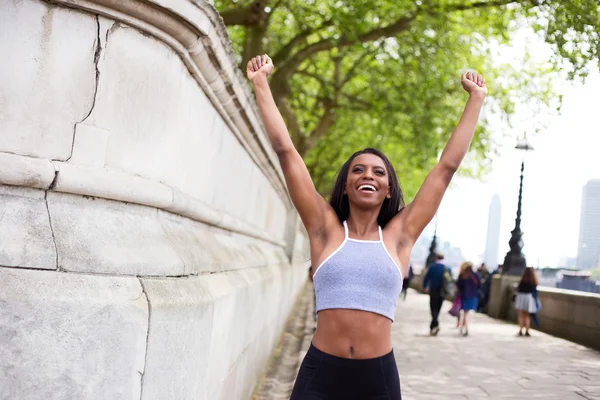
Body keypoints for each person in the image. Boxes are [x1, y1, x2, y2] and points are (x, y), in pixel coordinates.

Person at [246, 54, 487, 400]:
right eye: (358, 170)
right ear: (345, 184)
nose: (368, 175)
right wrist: (261, 83)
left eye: (378, 172)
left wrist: (475, 101)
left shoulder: (400, 236)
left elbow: (445, 168)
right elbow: (286, 152)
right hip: (320, 374)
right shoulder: (324, 229)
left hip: (378, 380)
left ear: (388, 189)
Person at [423, 254, 448, 336]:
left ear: (436, 258)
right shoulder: (447, 268)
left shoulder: (433, 266)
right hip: (443, 292)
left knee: (433, 308)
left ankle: (435, 324)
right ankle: (433, 326)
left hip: (433, 290)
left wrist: (425, 286)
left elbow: (426, 277)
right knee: (438, 309)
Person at [456, 262, 481, 336]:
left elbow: (458, 285)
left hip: (464, 296)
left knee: (465, 313)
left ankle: (464, 327)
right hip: (473, 296)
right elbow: (479, 284)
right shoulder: (476, 275)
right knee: (466, 313)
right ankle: (464, 327)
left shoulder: (462, 275)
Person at [515, 267, 539, 337]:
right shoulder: (533, 280)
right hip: (529, 298)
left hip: (522, 297)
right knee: (527, 315)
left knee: (521, 315)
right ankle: (527, 330)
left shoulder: (523, 279)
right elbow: (534, 290)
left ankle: (520, 330)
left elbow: (518, 288)